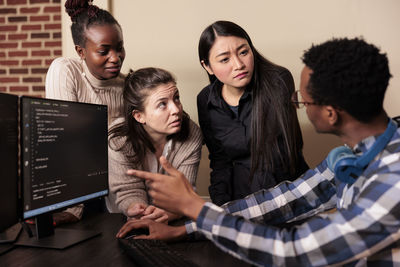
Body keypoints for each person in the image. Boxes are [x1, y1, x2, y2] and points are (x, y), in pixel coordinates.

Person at [117, 38, 400, 266]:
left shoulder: (393, 178)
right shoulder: (353, 154)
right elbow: (286, 199)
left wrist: (193, 207)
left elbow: (293, 252)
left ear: (330, 114)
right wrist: (185, 230)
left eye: (302, 99)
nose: (297, 102)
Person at [197, 21, 308, 205]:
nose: (239, 64)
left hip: (286, 194)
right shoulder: (205, 99)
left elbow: (284, 152)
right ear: (207, 66)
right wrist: (220, 208)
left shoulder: (278, 81)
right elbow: (219, 162)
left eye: (243, 52)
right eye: (225, 59)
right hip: (237, 199)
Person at [45, 0, 125, 223]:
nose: (115, 58)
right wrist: (74, 210)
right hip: (75, 192)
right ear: (81, 51)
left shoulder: (126, 86)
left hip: (118, 192)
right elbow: (66, 140)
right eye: (104, 51)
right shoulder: (65, 71)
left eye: (119, 48)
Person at [106, 67, 202, 223]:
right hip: (119, 220)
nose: (176, 109)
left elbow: (185, 192)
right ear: (139, 116)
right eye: (162, 104)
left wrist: (169, 212)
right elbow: (128, 190)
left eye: (176, 98)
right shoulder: (118, 139)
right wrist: (136, 208)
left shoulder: (192, 132)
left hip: (172, 216)